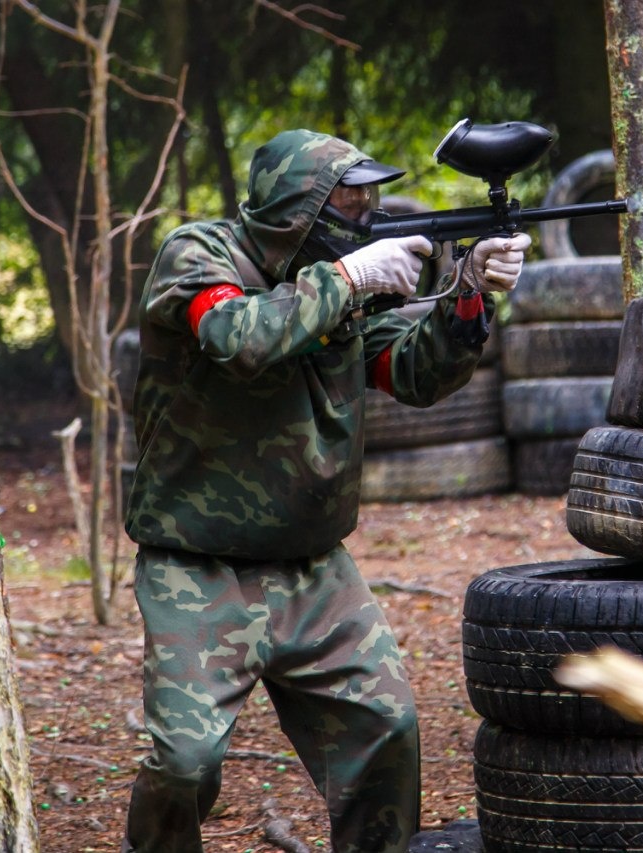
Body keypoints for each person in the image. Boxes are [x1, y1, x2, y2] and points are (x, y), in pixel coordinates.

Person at [119, 128, 530, 853]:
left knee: (389, 730)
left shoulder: (339, 279)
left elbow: (408, 373)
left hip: (313, 569)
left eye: (372, 198)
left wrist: (467, 301)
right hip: (198, 567)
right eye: (350, 198)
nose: (367, 212)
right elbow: (238, 337)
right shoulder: (200, 254)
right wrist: (351, 278)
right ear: (295, 206)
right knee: (184, 765)